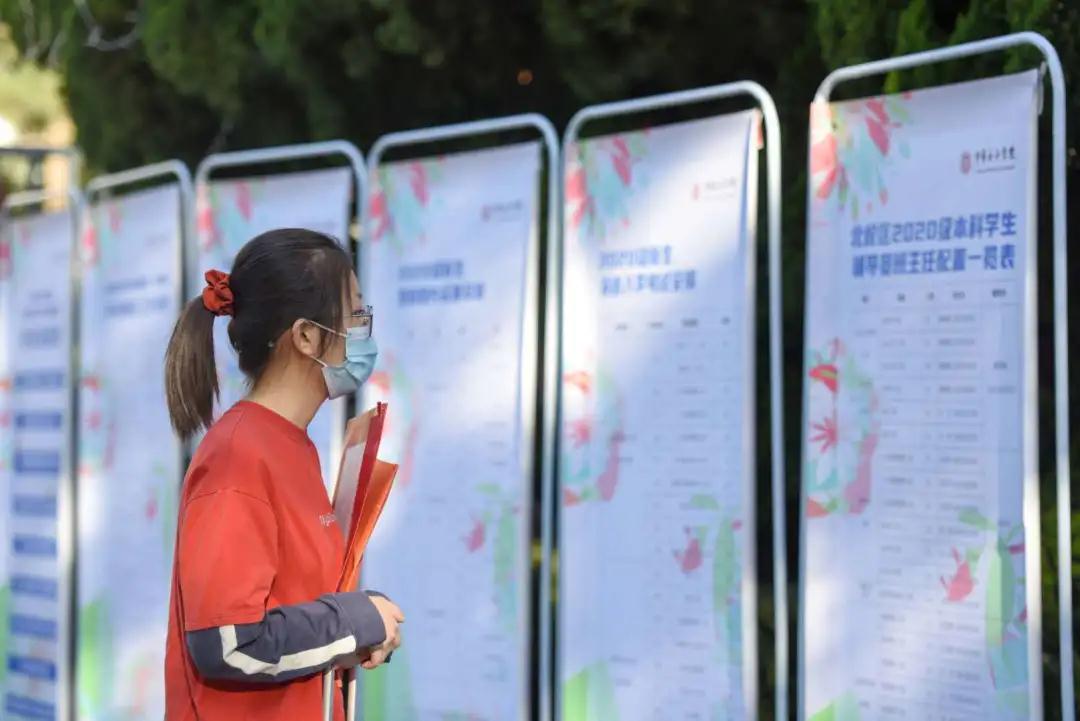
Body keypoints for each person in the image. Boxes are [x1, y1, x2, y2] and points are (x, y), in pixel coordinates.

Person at [162, 228, 402, 720]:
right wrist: (351, 620)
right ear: (306, 336)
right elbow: (228, 642)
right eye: (356, 314)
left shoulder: (290, 445)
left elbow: (296, 609)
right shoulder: (237, 457)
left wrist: (361, 627)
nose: (364, 330)